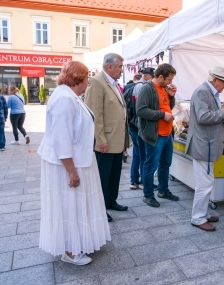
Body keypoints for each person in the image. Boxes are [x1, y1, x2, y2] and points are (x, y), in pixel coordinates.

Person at [38, 61, 111, 265]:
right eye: (87, 76)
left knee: (77, 204)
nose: (89, 80)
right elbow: (62, 139)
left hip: (78, 160)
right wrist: (72, 172)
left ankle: (77, 243)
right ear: (78, 77)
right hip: (68, 163)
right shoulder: (64, 98)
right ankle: (69, 251)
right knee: (69, 204)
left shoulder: (71, 96)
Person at [185, 66, 224, 231]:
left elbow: (208, 117)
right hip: (203, 145)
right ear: (215, 80)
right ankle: (198, 218)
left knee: (206, 182)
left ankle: (203, 214)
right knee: (204, 184)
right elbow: (203, 117)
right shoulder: (202, 91)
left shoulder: (208, 92)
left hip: (206, 145)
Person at [85, 53, 128, 222]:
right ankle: (100, 207)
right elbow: (95, 114)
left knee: (114, 174)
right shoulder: (97, 82)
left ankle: (111, 200)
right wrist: (100, 139)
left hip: (117, 139)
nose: (121, 70)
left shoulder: (114, 83)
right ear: (109, 66)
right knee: (103, 176)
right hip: (106, 141)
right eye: (119, 67)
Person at [136, 63, 179, 207]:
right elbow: (140, 111)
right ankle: (148, 196)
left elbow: (168, 107)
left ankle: (163, 190)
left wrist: (171, 97)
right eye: (169, 80)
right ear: (160, 76)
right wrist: (162, 115)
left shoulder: (163, 88)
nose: (170, 83)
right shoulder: (147, 89)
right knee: (151, 166)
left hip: (167, 134)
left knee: (165, 164)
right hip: (155, 135)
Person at [129, 67, 155, 189]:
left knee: (137, 153)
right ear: (146, 76)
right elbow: (141, 109)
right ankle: (143, 181)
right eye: (152, 76)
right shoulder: (142, 87)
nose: (153, 78)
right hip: (137, 124)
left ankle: (134, 180)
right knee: (142, 154)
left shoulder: (137, 85)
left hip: (133, 123)